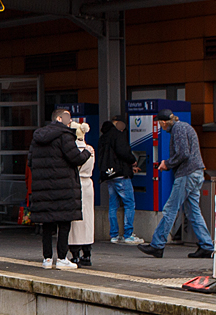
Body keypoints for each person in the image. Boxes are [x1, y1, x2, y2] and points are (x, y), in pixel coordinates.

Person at [138, 108, 215, 259]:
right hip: (196, 172)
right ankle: (206, 246)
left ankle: (157, 245)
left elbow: (183, 153)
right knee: (193, 211)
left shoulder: (178, 129)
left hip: (187, 174)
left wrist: (167, 163)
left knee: (170, 209)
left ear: (163, 122)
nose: (160, 127)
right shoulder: (185, 126)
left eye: (160, 124)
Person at [28, 107, 91, 269]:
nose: (70, 122)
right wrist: (87, 153)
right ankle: (62, 258)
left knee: (47, 226)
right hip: (63, 188)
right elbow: (75, 158)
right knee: (64, 224)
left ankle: (47, 259)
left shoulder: (37, 137)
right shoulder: (65, 136)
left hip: (43, 188)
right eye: (68, 118)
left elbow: (30, 162)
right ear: (59, 119)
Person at [98, 115, 143, 245]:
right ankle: (128, 235)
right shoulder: (117, 135)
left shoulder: (103, 138)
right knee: (129, 203)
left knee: (113, 205)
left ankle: (114, 235)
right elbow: (123, 152)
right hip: (120, 174)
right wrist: (133, 162)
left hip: (109, 175)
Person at [67, 122, 96, 267]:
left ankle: (75, 254)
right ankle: (87, 252)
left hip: (74, 184)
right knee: (88, 218)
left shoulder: (71, 150)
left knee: (74, 220)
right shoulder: (90, 149)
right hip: (88, 184)